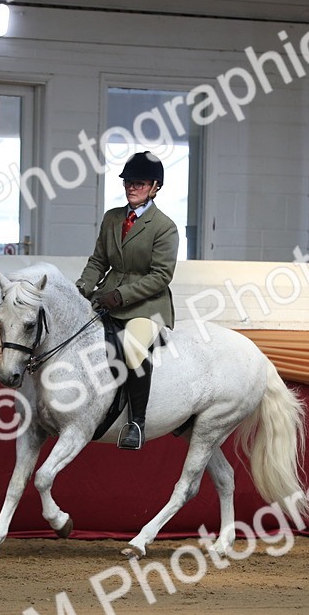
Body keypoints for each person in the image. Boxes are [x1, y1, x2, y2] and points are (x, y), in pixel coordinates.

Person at [76, 151, 180, 450]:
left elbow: (161, 276)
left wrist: (120, 295)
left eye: (140, 183)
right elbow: (98, 260)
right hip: (108, 296)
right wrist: (82, 288)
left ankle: (136, 422)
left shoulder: (164, 227)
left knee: (134, 349)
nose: (132, 187)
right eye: (128, 182)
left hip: (147, 305)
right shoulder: (112, 218)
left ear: (155, 187)